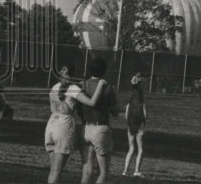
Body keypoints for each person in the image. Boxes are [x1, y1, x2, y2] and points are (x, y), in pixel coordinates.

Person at [46, 64, 108, 184]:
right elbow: (92, 102)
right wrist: (100, 85)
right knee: (57, 170)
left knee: (53, 170)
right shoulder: (73, 88)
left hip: (51, 123)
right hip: (63, 125)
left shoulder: (54, 86)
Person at [80, 56, 119, 184]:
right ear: (104, 71)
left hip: (86, 128)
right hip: (100, 128)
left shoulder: (83, 85)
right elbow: (115, 112)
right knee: (103, 172)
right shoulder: (108, 87)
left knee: (88, 168)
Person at [122, 74, 147, 177]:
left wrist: (129, 122)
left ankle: (125, 171)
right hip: (139, 125)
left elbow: (126, 115)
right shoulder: (141, 100)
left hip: (131, 125)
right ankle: (136, 171)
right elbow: (146, 115)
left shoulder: (130, 100)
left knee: (131, 148)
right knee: (140, 149)